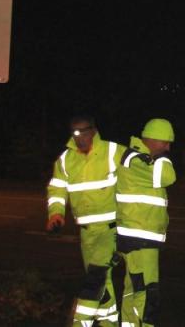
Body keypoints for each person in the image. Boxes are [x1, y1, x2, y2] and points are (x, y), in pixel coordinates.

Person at [46, 115, 125, 326]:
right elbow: (57, 188)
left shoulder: (113, 151)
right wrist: (56, 214)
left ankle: (80, 323)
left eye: (83, 132)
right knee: (102, 280)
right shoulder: (66, 159)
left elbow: (136, 175)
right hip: (86, 232)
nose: (79, 137)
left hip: (111, 230)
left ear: (94, 130)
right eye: (74, 133)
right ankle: (109, 322)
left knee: (95, 279)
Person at [116, 118, 177, 327]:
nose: (168, 147)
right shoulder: (134, 160)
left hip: (137, 236)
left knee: (132, 288)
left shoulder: (138, 159)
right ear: (151, 140)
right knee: (147, 292)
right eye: (165, 142)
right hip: (140, 237)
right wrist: (161, 157)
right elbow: (167, 176)